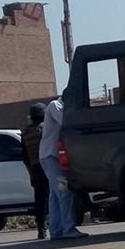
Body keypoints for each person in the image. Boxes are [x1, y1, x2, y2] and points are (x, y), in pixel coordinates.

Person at [40, 98, 87, 240]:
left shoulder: (58, 106)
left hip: (51, 157)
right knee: (64, 190)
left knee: (55, 195)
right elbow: (66, 123)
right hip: (51, 157)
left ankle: (56, 230)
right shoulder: (55, 105)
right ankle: (68, 228)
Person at [22, 103, 48, 239]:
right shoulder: (45, 129)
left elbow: (25, 157)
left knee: (40, 199)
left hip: (35, 168)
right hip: (47, 165)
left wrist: (31, 174)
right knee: (53, 197)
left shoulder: (26, 133)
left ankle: (41, 229)